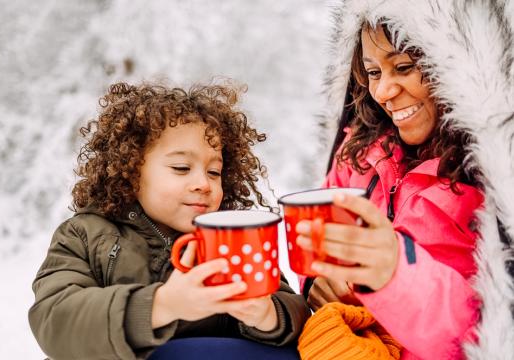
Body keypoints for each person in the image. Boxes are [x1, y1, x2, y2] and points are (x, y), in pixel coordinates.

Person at [28, 82, 311, 360]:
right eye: (181, 168)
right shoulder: (84, 235)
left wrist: (267, 315)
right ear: (131, 171)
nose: (203, 183)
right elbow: (55, 320)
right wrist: (161, 305)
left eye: (214, 172)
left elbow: (292, 308)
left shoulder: (231, 237)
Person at [295, 19, 486, 359]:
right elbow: (316, 252)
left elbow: (492, 332)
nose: (383, 91)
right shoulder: (358, 153)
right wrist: (316, 283)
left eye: (403, 67)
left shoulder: (494, 177)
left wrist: (393, 272)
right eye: (373, 72)